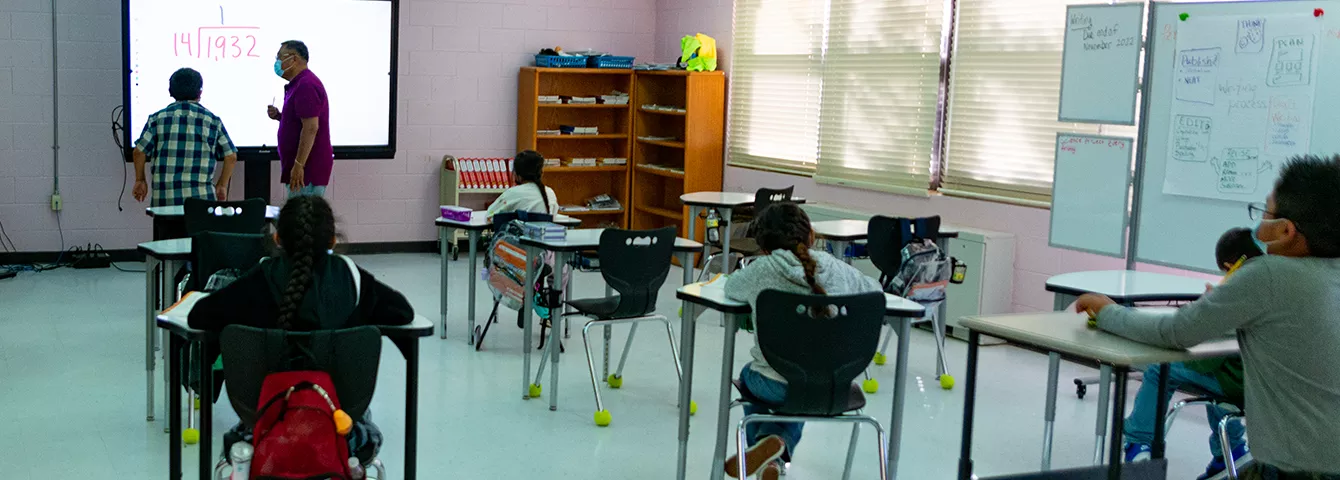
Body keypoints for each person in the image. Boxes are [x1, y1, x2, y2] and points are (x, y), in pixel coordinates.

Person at [1077, 155, 1340, 479]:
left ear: (1286, 230)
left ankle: (1138, 443)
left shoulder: (1270, 274)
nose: (1257, 226)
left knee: (1165, 371)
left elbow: (1175, 331)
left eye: (1265, 212)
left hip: (1297, 469)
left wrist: (1108, 312)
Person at [188, 195, 414, 462]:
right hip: (341, 426)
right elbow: (403, 312)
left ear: (277, 239)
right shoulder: (353, 280)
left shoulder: (257, 282)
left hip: (263, 425)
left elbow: (198, 317)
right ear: (332, 241)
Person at [721, 203, 882, 480]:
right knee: (809, 380)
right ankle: (776, 454)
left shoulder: (763, 268)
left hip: (773, 385)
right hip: (833, 387)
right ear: (810, 235)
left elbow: (731, 288)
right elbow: (875, 291)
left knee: (752, 375)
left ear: (764, 246)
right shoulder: (835, 266)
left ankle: (768, 451)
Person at [1122, 227, 1258, 479]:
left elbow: (1199, 343)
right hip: (1265, 385)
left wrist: (1209, 307)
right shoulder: (1275, 281)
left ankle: (1137, 441)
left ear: (1232, 266)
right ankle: (1231, 451)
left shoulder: (1241, 290)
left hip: (1243, 384)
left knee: (1159, 369)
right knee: (1214, 377)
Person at [132, 67, 237, 207]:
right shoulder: (212, 121)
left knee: (166, 230)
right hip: (201, 203)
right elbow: (231, 156)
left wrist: (140, 180)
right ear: (200, 92)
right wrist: (222, 185)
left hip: (165, 203)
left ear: (170, 91)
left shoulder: (157, 119)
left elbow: (139, 152)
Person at [267, 40, 331, 198]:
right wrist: (279, 117)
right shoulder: (298, 84)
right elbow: (299, 121)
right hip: (303, 168)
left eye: (280, 57)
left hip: (307, 171)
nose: (277, 62)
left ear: (294, 59)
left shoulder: (306, 84)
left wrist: (298, 165)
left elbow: (311, 127)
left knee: (303, 219)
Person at [485, 150, 559, 218]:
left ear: (517, 174)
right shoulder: (550, 192)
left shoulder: (513, 193)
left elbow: (489, 216)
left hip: (520, 232)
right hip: (545, 232)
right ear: (541, 173)